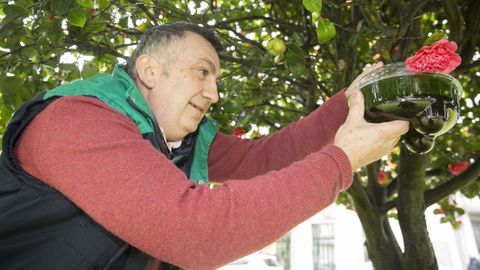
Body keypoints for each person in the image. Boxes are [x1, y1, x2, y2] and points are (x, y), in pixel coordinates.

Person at [0, 22, 408, 270]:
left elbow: (263, 158)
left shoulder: (174, 141)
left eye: (217, 80)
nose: (213, 93)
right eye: (201, 72)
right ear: (149, 71)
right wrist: (344, 159)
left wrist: (346, 104)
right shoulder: (78, 119)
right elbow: (196, 231)